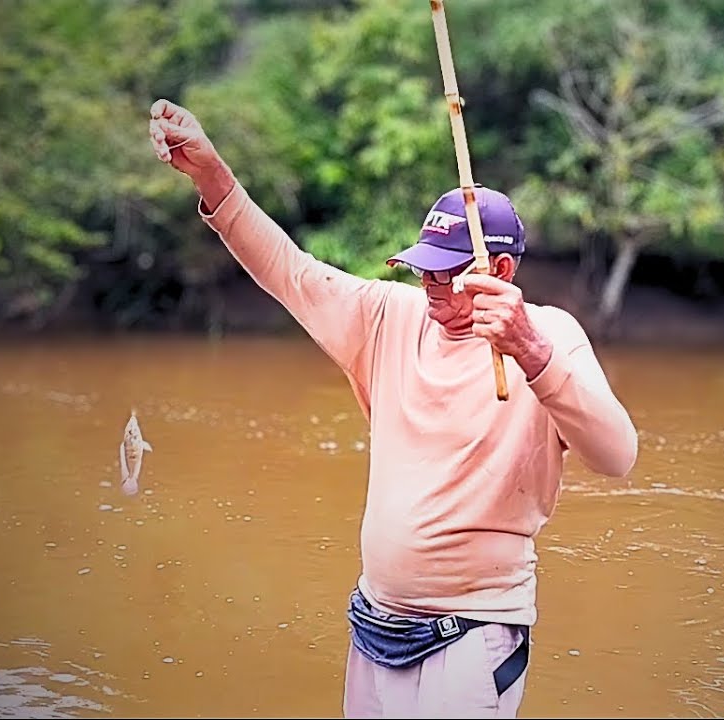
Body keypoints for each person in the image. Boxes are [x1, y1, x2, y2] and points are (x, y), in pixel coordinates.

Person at [148, 98, 637, 718]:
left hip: (473, 634)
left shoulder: (551, 335)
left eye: (446, 275)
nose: (429, 288)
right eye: (424, 272)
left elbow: (618, 456)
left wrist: (531, 353)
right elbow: (290, 272)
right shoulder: (389, 317)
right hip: (375, 619)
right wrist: (212, 176)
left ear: (501, 268)